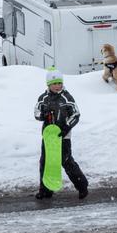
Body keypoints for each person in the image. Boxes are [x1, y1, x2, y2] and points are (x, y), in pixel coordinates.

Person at [34, 68, 89, 200]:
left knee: (66, 161)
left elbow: (76, 114)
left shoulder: (66, 97)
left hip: (63, 136)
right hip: (49, 136)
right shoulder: (43, 98)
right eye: (54, 83)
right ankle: (46, 189)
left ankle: (82, 186)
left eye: (59, 83)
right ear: (49, 84)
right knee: (46, 162)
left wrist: (66, 128)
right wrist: (43, 114)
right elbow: (36, 113)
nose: (57, 86)